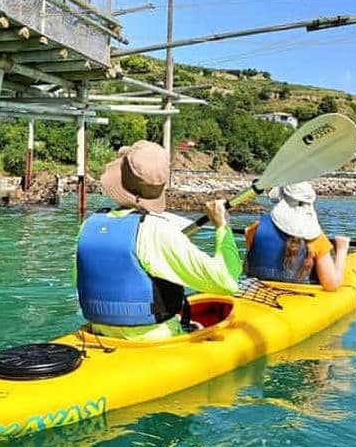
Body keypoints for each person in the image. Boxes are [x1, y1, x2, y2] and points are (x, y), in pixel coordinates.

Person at [75, 140, 241, 341]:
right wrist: (222, 227)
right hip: (155, 340)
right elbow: (226, 282)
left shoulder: (89, 226)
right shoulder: (157, 231)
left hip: (98, 334)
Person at [242, 181, 349, 292]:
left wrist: (248, 235)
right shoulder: (316, 239)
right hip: (298, 299)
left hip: (256, 292)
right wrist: (342, 249)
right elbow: (332, 285)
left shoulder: (255, 228)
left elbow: (247, 266)